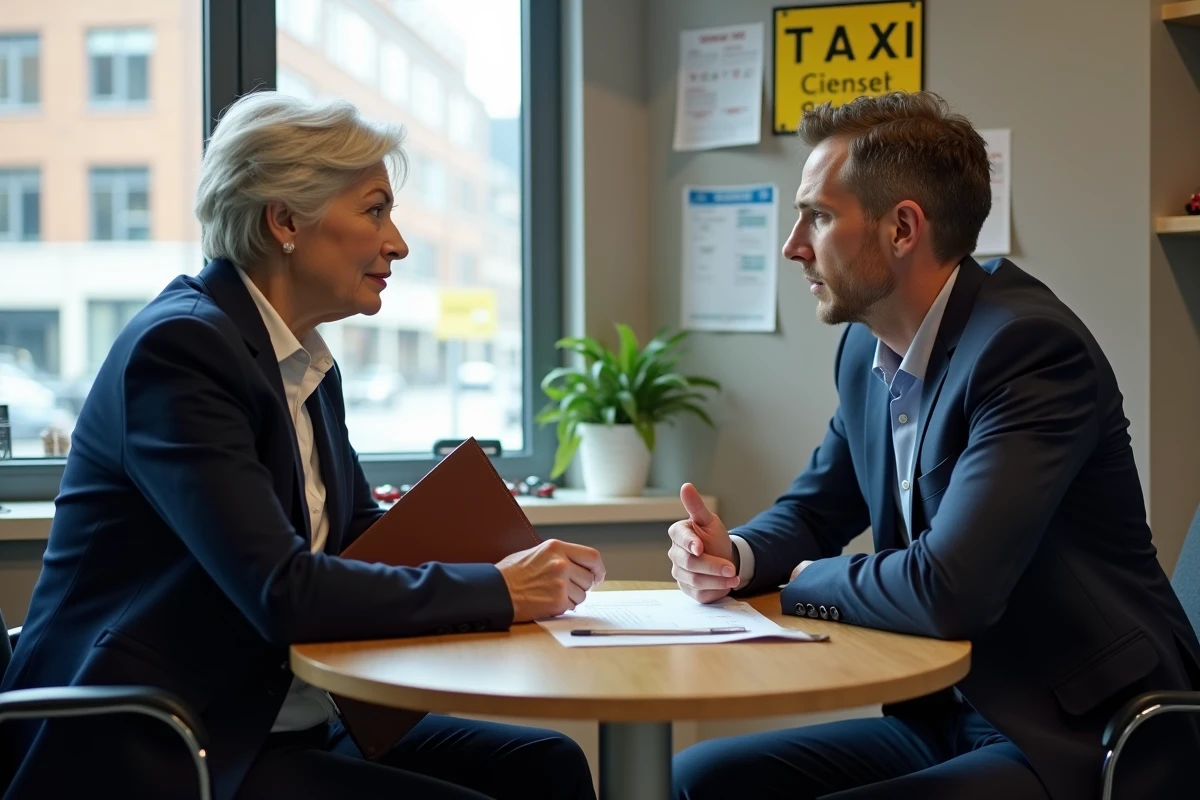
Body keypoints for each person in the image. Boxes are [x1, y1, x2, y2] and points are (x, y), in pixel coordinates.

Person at [0, 92, 602, 800]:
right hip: (165, 737)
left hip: (274, 714)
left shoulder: (304, 364)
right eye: (375, 210)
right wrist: (499, 591)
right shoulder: (182, 351)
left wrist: (508, 565)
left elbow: (350, 541)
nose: (398, 243)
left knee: (546, 765)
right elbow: (281, 591)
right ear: (284, 220)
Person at [668, 92, 1200, 800]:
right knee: (705, 778)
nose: (794, 244)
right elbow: (815, 509)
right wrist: (730, 556)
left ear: (903, 228)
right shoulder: (866, 352)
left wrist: (802, 581)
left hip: (1082, 733)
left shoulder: (1028, 351)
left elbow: (951, 590)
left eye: (819, 216)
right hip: (947, 714)